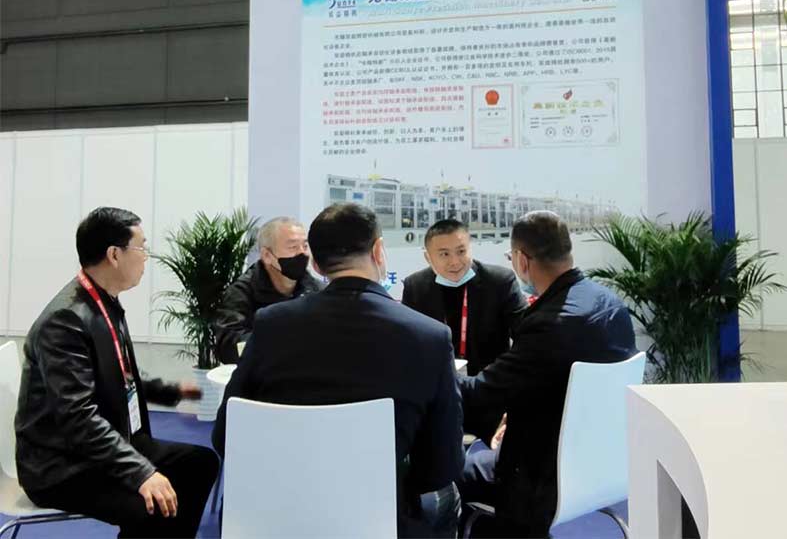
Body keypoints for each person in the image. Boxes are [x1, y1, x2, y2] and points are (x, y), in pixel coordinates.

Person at [213, 203, 464, 538]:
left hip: (278, 515)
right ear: (378, 251)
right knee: (446, 501)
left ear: (316, 264)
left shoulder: (271, 325)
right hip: (379, 522)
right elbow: (443, 465)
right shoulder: (429, 337)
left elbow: (226, 434)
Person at [15, 207, 219, 539]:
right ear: (114, 255)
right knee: (149, 506)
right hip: (62, 464)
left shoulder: (102, 301)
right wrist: (141, 473)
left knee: (199, 464)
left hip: (103, 444)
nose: (146, 257)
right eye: (141, 247)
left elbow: (117, 376)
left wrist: (171, 391)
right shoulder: (65, 321)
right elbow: (77, 418)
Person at [458, 211, 636, 538]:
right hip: (601, 467)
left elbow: (479, 393)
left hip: (538, 479)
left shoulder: (549, 323)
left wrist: (435, 365)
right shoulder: (609, 304)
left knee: (447, 470)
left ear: (522, 260)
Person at [402, 218, 526, 439]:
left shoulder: (500, 281)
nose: (455, 261)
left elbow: (525, 339)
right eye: (444, 254)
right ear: (428, 257)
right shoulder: (415, 286)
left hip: (489, 393)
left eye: (461, 251)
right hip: (438, 397)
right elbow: (409, 347)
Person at [213, 216, 323, 363]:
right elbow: (228, 346)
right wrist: (280, 343)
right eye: (293, 247)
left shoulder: (317, 290)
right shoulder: (241, 292)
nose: (302, 253)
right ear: (267, 255)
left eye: (305, 246)